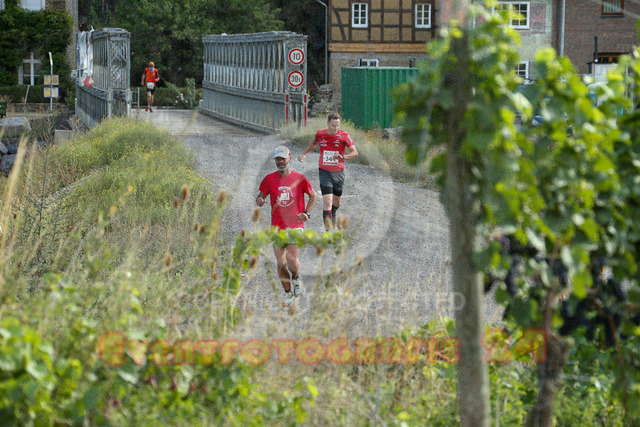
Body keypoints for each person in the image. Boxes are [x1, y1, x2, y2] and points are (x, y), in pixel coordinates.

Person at [256, 145, 317, 309]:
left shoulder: (300, 178)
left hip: (295, 224)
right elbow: (260, 197)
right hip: (277, 227)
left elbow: (313, 195)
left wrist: (307, 213)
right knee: (281, 263)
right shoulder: (269, 179)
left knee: (291, 258)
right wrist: (260, 201)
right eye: (278, 159)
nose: (280, 162)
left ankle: (296, 278)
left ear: (289, 158)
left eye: (283, 158)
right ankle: (288, 293)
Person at [298, 113, 358, 230]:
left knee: (336, 203)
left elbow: (355, 153)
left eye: (337, 126)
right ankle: (328, 231)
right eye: (333, 126)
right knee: (327, 202)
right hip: (324, 171)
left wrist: (342, 157)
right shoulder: (320, 134)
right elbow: (313, 143)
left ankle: (333, 212)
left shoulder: (344, 135)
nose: (335, 128)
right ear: (327, 124)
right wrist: (304, 154)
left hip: (338, 172)